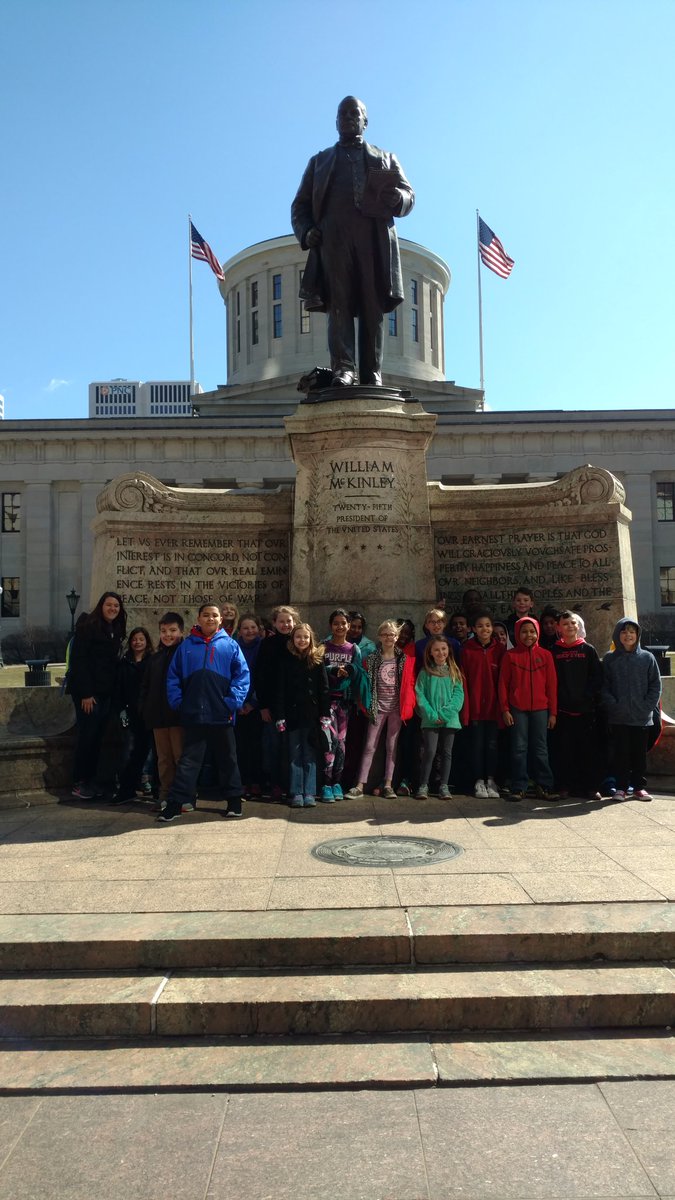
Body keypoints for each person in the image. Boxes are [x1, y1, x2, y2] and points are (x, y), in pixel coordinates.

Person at [291, 96, 414, 387]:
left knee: (373, 306)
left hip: (373, 241)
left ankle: (371, 372)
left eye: (353, 113)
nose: (347, 118)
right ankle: (343, 369)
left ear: (364, 121)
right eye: (342, 114)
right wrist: (307, 232)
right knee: (339, 305)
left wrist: (398, 198)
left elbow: (409, 195)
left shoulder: (386, 158)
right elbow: (300, 206)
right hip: (334, 241)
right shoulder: (319, 162)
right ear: (336, 122)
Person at [156, 603, 250, 822]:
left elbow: (242, 676)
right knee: (188, 761)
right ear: (198, 619)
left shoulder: (230, 645)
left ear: (220, 620)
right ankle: (176, 803)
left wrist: (231, 702)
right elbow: (173, 677)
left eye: (214, 615)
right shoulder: (186, 646)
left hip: (221, 714)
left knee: (227, 759)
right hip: (194, 713)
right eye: (206, 615)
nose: (210, 619)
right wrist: (179, 703)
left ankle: (234, 801)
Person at [68, 591, 127, 800]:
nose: (113, 608)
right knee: (88, 737)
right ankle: (80, 781)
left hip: (105, 693)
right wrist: (86, 693)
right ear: (101, 606)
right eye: (109, 604)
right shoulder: (88, 625)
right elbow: (79, 661)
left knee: (98, 738)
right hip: (89, 694)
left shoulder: (115, 629)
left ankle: (92, 780)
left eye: (116, 606)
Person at [347, 620, 415, 798]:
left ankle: (388, 784)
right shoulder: (371, 659)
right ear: (379, 637)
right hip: (376, 708)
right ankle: (360, 785)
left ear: (397, 637)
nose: (388, 637)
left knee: (392, 746)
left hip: (396, 709)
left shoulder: (404, 659)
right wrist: (365, 705)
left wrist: (408, 706)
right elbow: (364, 685)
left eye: (391, 634)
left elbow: (409, 684)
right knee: (370, 746)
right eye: (384, 634)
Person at [601, 617, 662, 802]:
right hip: (619, 717)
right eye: (624, 631)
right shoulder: (610, 659)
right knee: (621, 754)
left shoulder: (647, 658)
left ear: (637, 635)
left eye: (632, 632)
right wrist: (614, 705)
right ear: (617, 634)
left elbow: (655, 685)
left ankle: (638, 787)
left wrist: (646, 707)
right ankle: (621, 787)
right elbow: (604, 686)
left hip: (641, 717)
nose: (628, 635)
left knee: (639, 755)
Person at [498, 617, 558, 802]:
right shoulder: (510, 656)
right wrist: (505, 709)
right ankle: (519, 786)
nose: (528, 635)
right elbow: (503, 684)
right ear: (517, 634)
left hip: (541, 708)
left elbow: (552, 685)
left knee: (541, 748)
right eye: (524, 631)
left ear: (537, 632)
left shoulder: (546, 655)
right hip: (517, 708)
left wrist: (553, 712)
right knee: (519, 748)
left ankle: (544, 785)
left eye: (532, 631)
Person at [550, 610, 604, 800]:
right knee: (565, 751)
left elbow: (597, 677)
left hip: (586, 710)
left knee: (588, 751)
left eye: (573, 623)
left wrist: (587, 696)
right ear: (558, 628)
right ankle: (565, 786)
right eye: (565, 624)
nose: (570, 626)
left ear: (578, 625)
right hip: (563, 710)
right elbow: (551, 680)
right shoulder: (554, 651)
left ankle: (590, 787)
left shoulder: (588, 649)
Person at [275, 623, 330, 808]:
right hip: (292, 715)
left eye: (305, 637)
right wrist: (280, 715)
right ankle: (296, 791)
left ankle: (310, 791)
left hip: (311, 715)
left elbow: (324, 689)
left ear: (311, 639)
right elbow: (280, 690)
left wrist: (325, 714)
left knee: (310, 753)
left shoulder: (317, 660)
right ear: (292, 639)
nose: (302, 640)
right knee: (294, 754)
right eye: (298, 637)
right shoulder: (285, 661)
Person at [138, 611, 185, 812]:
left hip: (178, 717)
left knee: (180, 757)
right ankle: (165, 794)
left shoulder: (185, 655)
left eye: (172, 630)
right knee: (163, 759)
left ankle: (183, 795)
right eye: (164, 631)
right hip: (158, 717)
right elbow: (145, 686)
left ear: (181, 632)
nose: (168, 635)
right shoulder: (155, 659)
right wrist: (145, 709)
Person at [253, 605, 300, 801]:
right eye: (281, 621)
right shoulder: (268, 644)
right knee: (272, 746)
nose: (285, 624)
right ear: (274, 623)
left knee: (293, 748)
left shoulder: (300, 641)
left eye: (289, 621)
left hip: (295, 705)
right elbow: (261, 676)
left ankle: (292, 785)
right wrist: (263, 706)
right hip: (272, 705)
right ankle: (274, 784)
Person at [461, 611, 505, 799]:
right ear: (473, 629)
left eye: (487, 625)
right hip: (476, 706)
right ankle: (479, 780)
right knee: (477, 745)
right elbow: (463, 679)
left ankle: (491, 780)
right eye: (480, 626)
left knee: (493, 745)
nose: (484, 629)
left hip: (494, 707)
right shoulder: (467, 649)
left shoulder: (500, 650)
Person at [414, 636, 464, 799]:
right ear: (430, 652)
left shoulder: (454, 671)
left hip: (450, 720)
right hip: (431, 720)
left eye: (443, 649)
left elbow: (458, 696)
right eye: (436, 649)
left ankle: (444, 785)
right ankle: (423, 785)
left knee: (446, 752)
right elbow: (420, 695)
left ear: (448, 650)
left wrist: (444, 714)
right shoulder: (425, 672)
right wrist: (432, 715)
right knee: (429, 751)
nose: (440, 652)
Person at [322, 608, 364, 801]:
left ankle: (337, 782)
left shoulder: (354, 649)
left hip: (345, 703)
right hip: (327, 702)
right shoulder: (323, 647)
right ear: (331, 626)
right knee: (329, 742)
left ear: (348, 626)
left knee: (341, 743)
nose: (340, 627)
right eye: (336, 623)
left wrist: (349, 670)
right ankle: (325, 783)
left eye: (343, 623)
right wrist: (333, 669)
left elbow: (358, 672)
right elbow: (317, 669)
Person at [112, 626, 154, 804]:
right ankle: (126, 787)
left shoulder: (152, 661)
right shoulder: (124, 663)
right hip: (130, 713)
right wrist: (122, 711)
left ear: (147, 642)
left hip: (149, 713)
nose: (138, 642)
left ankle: (150, 784)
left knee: (151, 752)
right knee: (129, 752)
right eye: (135, 639)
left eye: (141, 639)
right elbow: (118, 690)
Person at [234, 613, 265, 799]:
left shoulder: (263, 647)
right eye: (245, 628)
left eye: (253, 627)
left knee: (256, 745)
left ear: (258, 629)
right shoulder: (233, 647)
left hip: (257, 705)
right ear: (239, 630)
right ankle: (243, 782)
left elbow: (264, 677)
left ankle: (256, 782)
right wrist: (238, 702)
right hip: (238, 705)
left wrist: (253, 702)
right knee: (240, 746)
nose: (249, 631)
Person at [415, 608, 460, 673]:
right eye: (432, 622)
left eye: (439, 621)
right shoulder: (419, 645)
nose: (436, 625)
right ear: (426, 625)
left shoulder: (454, 643)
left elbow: (457, 665)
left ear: (444, 624)